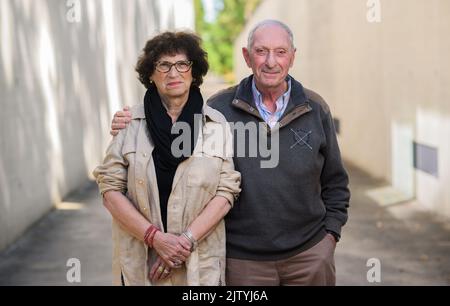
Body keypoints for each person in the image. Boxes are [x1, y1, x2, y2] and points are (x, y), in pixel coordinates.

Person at [111, 20, 350, 286]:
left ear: (293, 57)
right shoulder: (218, 111)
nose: (271, 61)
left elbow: (335, 182)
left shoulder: (315, 108)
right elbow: (186, 187)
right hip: (243, 263)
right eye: (261, 51)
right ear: (247, 57)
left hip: (309, 257)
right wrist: (127, 122)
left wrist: (330, 237)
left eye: (281, 52)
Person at [94, 31, 241, 286]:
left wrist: (182, 243)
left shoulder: (216, 126)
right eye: (163, 65)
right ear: (151, 74)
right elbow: (109, 189)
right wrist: (155, 239)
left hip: (198, 265)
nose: (173, 73)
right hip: (144, 265)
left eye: (182, 64)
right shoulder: (130, 125)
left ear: (193, 72)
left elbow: (226, 192)